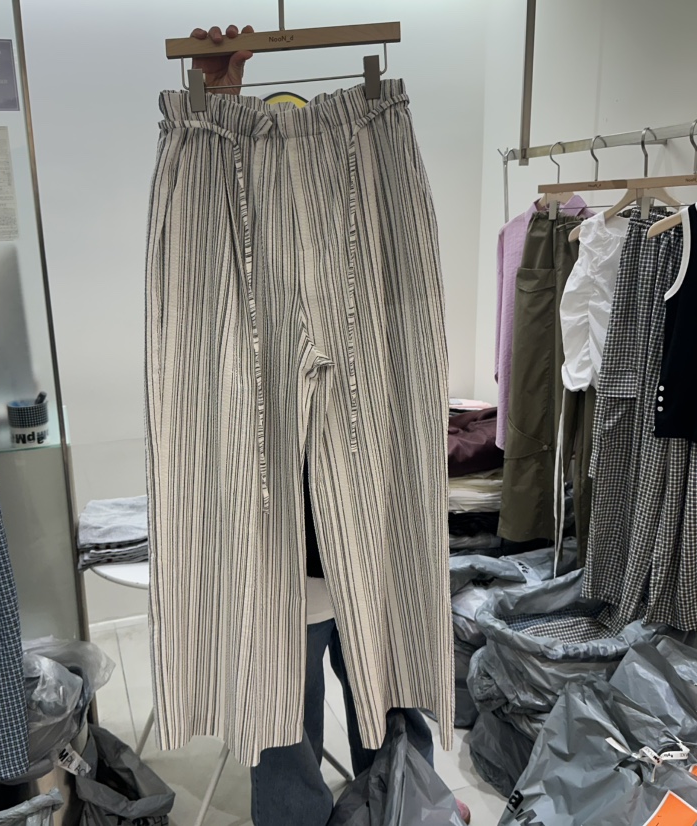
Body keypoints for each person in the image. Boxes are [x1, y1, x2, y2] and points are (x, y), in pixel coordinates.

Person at [188, 25, 472, 826]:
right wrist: (216, 109)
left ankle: (407, 808)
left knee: (390, 692)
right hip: (281, 539)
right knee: (286, 716)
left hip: (365, 522)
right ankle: (391, 806)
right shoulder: (233, 238)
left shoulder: (368, 196)